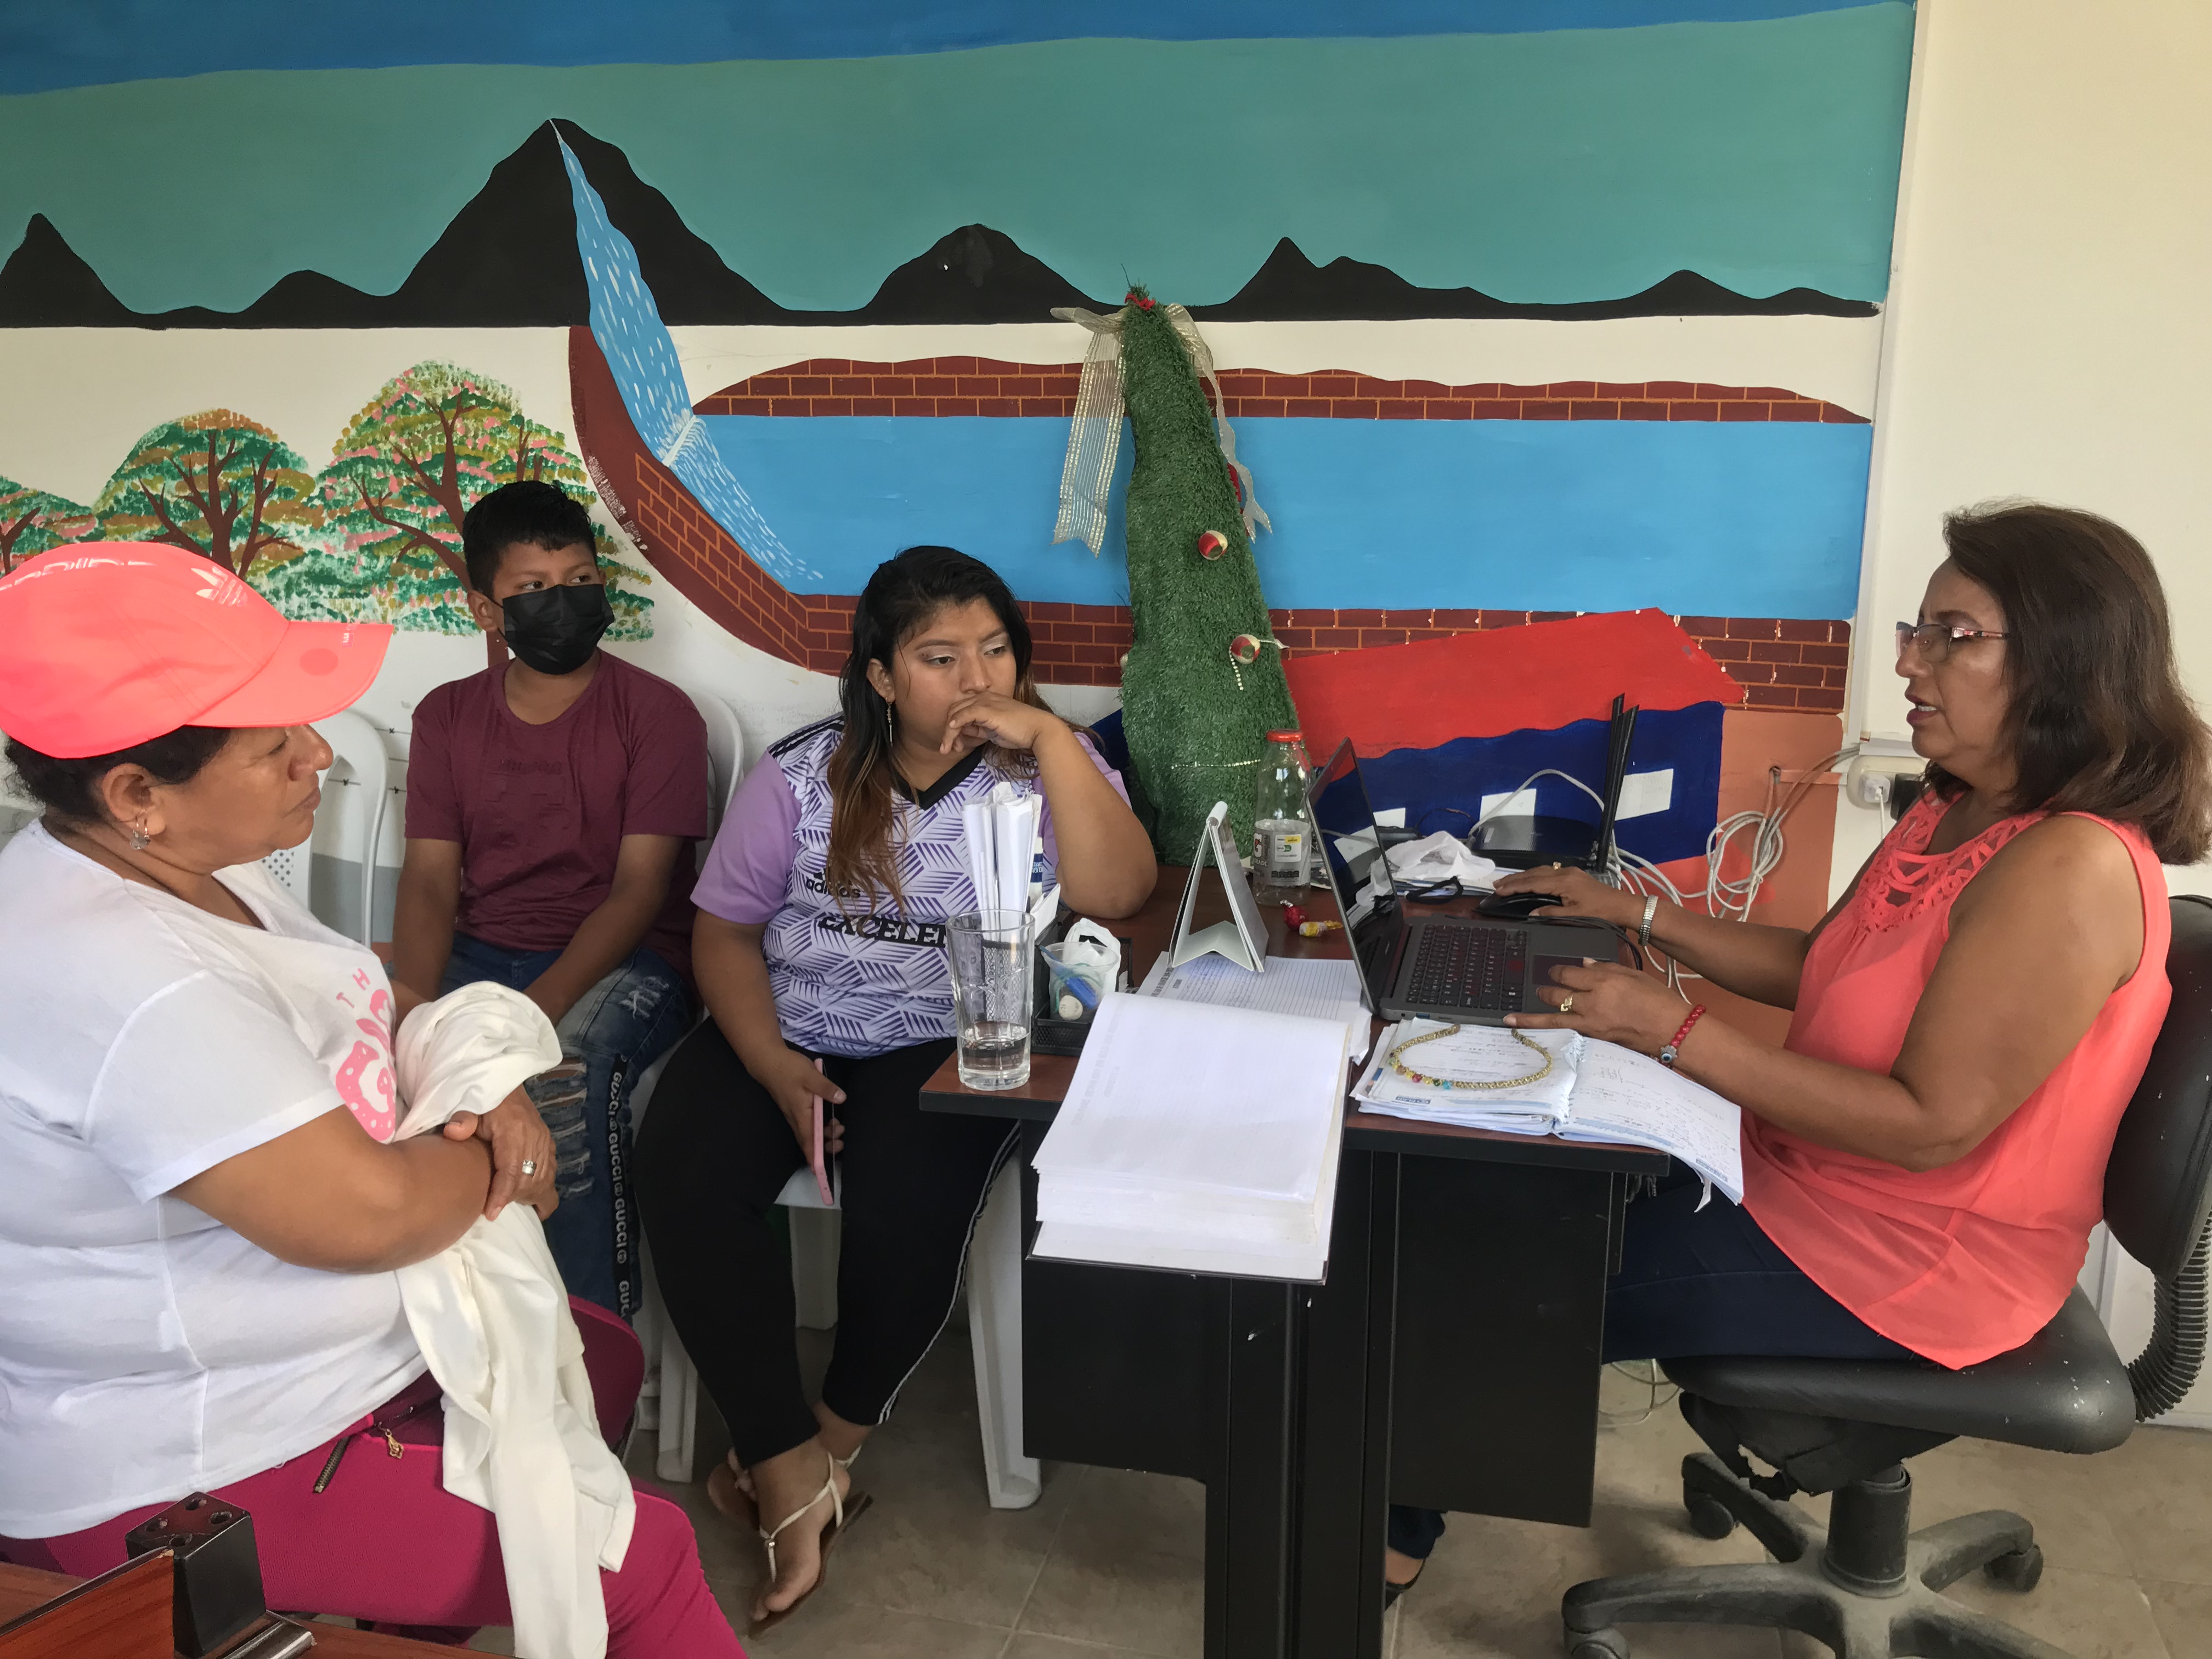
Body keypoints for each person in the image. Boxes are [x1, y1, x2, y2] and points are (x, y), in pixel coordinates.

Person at [1384, 500, 2212, 1594]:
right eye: (1919, 630)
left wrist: (1670, 1030)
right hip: (1800, 1177)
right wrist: (1640, 915)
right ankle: (1397, 1495)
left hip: (1910, 1258)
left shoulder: (2071, 867)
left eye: (1955, 636)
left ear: (2066, 659)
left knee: (1507, 1276)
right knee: (1484, 1199)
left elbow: (1930, 1128)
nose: (1910, 662)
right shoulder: (1954, 808)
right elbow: (1825, 964)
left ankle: (1389, 1543)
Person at [0, 543, 742, 1656]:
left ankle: (406, 1623)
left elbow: (362, 995)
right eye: (275, 746)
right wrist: (497, 1147)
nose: (319, 754)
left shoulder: (190, 865)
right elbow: (375, 1216)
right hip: (198, 1452)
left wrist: (485, 1087)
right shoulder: (129, 983)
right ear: (137, 794)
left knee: (601, 1361)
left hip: (315, 1367)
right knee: (641, 1555)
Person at [636, 546, 1156, 1626]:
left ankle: (826, 1448)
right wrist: (772, 1064)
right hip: (784, 1021)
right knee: (683, 1172)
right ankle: (780, 1460)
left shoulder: (1043, 773)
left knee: (905, 1205)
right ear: (880, 676)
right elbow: (724, 932)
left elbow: (1117, 891)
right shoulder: (802, 776)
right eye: (939, 657)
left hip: (947, 1041)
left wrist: (1051, 738)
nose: (977, 678)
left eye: (995, 649)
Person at [393, 481, 709, 1321]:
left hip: (629, 962)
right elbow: (429, 881)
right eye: (532, 588)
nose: (561, 603)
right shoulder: (447, 717)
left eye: (578, 580)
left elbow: (640, 892)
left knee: (563, 1080)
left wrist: (527, 1020)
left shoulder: (658, 715)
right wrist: (414, 1008)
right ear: (486, 609)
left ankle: (594, 1339)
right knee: (392, 1071)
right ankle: (460, 1324)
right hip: (483, 950)